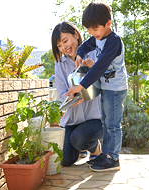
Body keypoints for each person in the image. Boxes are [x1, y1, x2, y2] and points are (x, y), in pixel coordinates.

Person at [66, 2, 128, 172]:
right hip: (106, 87)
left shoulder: (113, 42)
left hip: (115, 89)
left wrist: (80, 86)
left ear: (108, 24)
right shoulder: (98, 37)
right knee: (106, 122)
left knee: (112, 124)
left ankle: (113, 158)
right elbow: (86, 45)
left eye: (95, 29)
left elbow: (99, 67)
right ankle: (106, 154)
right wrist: (79, 54)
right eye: (89, 30)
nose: (92, 34)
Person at [51, 21, 103, 167]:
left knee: (79, 139)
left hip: (96, 118)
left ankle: (94, 148)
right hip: (74, 120)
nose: (64, 47)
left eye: (65, 41)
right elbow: (61, 93)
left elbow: (107, 83)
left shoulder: (94, 53)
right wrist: (70, 97)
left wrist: (94, 69)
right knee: (66, 160)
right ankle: (82, 146)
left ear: (76, 34)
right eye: (59, 45)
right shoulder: (60, 63)